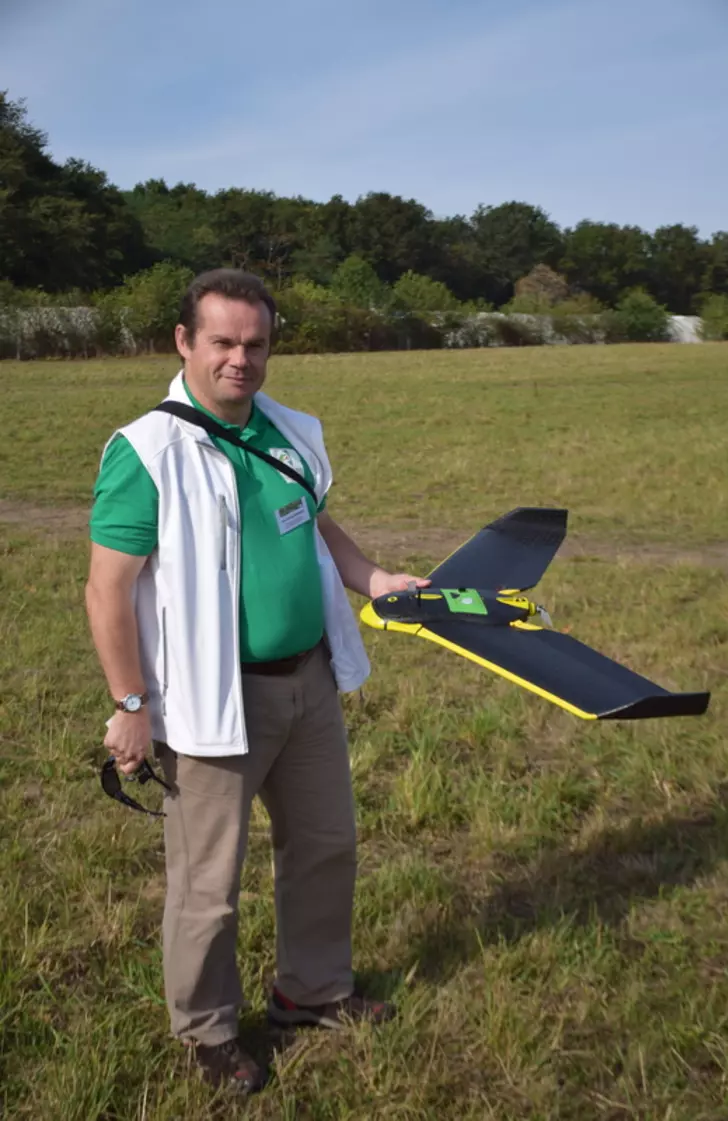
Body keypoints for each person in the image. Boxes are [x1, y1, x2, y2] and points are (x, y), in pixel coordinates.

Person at [85, 268, 429, 1096]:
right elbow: (106, 589)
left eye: (256, 344)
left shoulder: (286, 429)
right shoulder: (147, 451)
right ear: (184, 342)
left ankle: (309, 992)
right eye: (223, 342)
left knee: (326, 845)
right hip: (212, 700)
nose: (241, 359)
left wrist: (369, 574)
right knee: (209, 880)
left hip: (306, 682)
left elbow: (311, 515)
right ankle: (205, 1030)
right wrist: (131, 704)